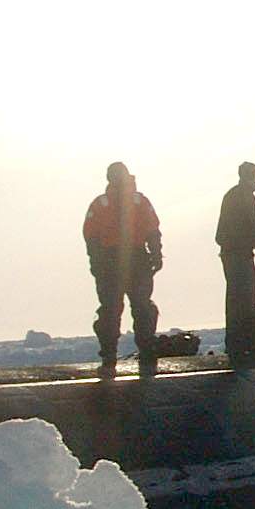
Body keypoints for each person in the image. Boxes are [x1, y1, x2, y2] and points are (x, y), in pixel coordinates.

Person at [82, 162, 161, 377]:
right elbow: (153, 230)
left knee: (113, 310)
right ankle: (144, 354)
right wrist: (156, 255)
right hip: (131, 261)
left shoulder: (101, 203)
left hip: (114, 262)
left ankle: (110, 358)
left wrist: (96, 263)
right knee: (138, 308)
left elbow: (90, 237)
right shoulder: (138, 201)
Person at [215, 161, 255, 368]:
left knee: (235, 298)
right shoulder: (245, 197)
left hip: (231, 253)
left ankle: (236, 342)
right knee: (244, 298)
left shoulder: (232, 195)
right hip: (239, 254)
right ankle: (243, 343)